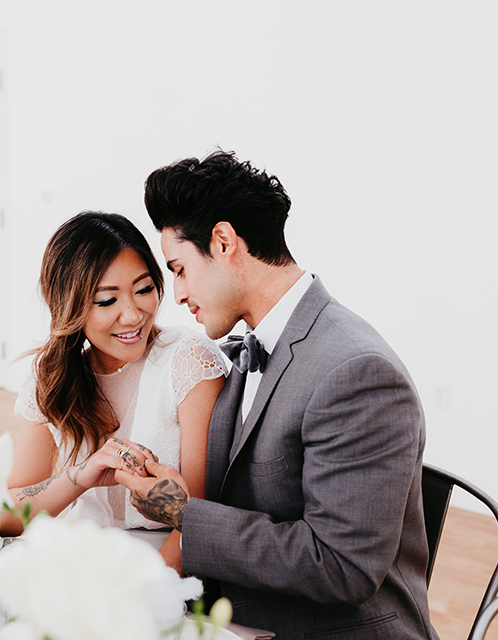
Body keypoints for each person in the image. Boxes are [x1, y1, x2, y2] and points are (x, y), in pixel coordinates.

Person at [116, 151, 439, 639]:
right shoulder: (253, 345)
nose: (177, 294)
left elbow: (341, 567)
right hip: (232, 615)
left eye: (179, 269)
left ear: (223, 242)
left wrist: (186, 513)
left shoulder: (357, 373)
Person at [0, 211, 227, 573]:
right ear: (69, 305)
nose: (133, 315)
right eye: (107, 301)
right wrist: (81, 475)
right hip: (79, 561)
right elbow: (9, 515)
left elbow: (197, 518)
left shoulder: (188, 361)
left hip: (164, 572)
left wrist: (139, 600)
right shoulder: (51, 377)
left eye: (144, 289)